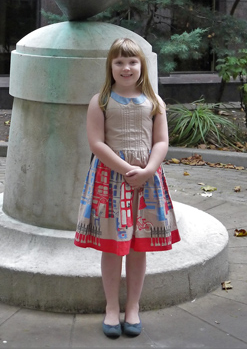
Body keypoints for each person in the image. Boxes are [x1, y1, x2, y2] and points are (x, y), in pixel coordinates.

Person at [74, 37, 180, 339]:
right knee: (112, 248)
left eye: (132, 61)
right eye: (119, 61)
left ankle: (132, 307)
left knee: (137, 247)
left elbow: (161, 141)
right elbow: (96, 143)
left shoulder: (154, 101)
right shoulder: (101, 101)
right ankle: (111, 308)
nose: (126, 67)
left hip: (146, 183)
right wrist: (126, 169)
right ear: (110, 66)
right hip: (110, 181)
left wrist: (147, 171)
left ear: (141, 66)